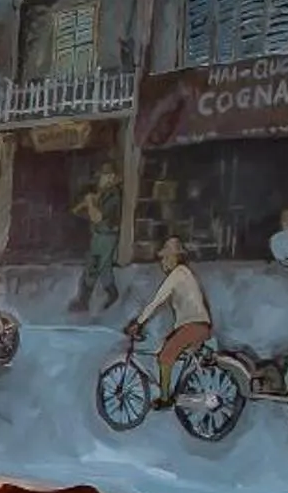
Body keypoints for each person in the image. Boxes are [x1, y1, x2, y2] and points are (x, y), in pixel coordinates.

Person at [126, 236, 214, 397]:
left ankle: (165, 398)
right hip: (200, 325)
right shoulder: (186, 272)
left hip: (191, 326)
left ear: (174, 258)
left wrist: (138, 323)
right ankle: (178, 390)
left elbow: (157, 301)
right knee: (170, 348)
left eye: (165, 258)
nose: (163, 262)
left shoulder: (177, 274)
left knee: (164, 357)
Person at [69, 162, 123, 313]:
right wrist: (86, 204)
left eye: (104, 176)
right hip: (99, 235)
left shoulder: (114, 196)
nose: (100, 180)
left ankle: (83, 302)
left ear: (111, 177)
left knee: (93, 266)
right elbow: (76, 211)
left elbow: (97, 218)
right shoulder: (103, 194)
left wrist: (90, 203)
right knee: (104, 269)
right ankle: (113, 295)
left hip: (106, 237)